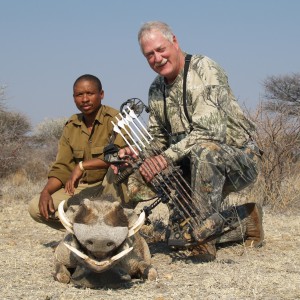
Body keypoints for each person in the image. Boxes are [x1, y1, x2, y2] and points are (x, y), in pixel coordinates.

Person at [113, 21, 264, 261]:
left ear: (174, 41)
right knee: (175, 236)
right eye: (149, 55)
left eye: (161, 49)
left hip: (238, 160)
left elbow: (210, 132)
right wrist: (137, 153)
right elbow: (159, 139)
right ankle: (246, 219)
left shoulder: (205, 69)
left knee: (205, 151)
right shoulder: (156, 89)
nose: (157, 58)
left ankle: (205, 242)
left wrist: (163, 158)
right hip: (190, 164)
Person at [28, 74, 128, 230]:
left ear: (101, 95)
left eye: (90, 93)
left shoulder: (116, 119)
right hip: (83, 188)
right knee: (35, 208)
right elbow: (62, 167)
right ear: (74, 98)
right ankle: (82, 233)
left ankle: (111, 229)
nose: (85, 99)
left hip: (109, 186)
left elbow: (120, 156)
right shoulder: (71, 125)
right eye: (79, 95)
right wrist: (46, 192)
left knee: (116, 169)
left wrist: (82, 166)